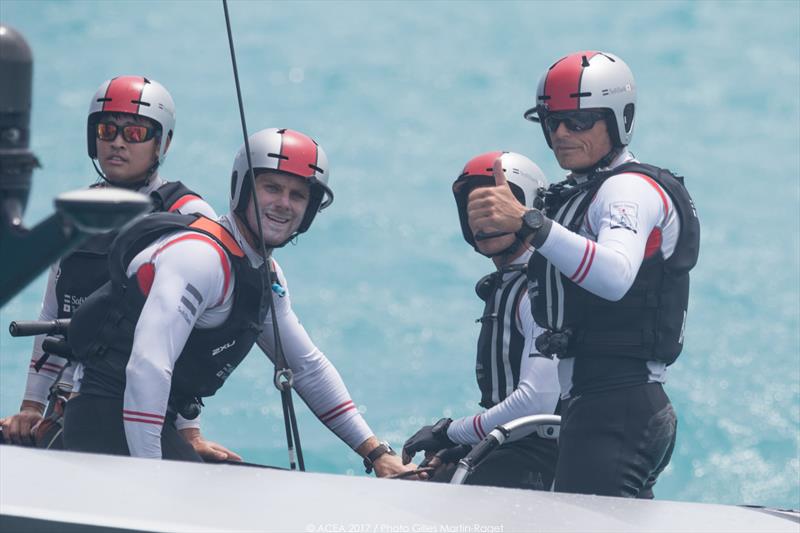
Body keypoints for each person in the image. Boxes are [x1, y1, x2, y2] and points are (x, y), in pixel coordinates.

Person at [61, 127, 416, 477]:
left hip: (152, 421)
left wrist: (376, 453)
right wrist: (151, 480)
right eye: (271, 188)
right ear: (242, 189)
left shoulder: (264, 275)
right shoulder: (201, 258)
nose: (283, 204)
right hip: (105, 417)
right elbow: (147, 367)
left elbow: (306, 367)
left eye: (297, 195)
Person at [466, 51, 700, 498]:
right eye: (551, 121)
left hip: (619, 406)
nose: (560, 134)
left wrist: (529, 223)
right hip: (596, 404)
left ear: (619, 120)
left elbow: (615, 276)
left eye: (579, 121)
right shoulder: (585, 191)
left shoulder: (627, 189)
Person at [0, 76, 235, 461]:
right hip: (75, 404)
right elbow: (52, 315)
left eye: (136, 132)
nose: (118, 142)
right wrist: (30, 408)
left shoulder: (190, 216)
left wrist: (190, 433)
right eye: (107, 130)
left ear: (163, 143)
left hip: (148, 411)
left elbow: (195, 340)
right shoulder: (78, 215)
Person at [401, 151, 560, 490]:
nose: (484, 217)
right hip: (510, 450)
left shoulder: (539, 290)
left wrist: (448, 431)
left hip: (538, 463)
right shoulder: (512, 284)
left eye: (498, 203)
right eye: (474, 206)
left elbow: (537, 401)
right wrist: (464, 445)